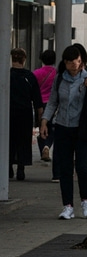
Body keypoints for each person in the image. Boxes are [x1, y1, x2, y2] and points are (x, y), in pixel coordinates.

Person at [40, 44, 87, 220]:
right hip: (62, 127)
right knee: (65, 168)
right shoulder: (60, 79)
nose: (73, 65)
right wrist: (45, 121)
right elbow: (53, 102)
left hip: (82, 129)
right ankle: (67, 206)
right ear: (65, 63)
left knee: (82, 166)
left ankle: (85, 201)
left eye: (75, 61)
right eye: (69, 62)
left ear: (81, 60)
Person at [9, 48, 43, 181]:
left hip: (8, 113)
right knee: (23, 140)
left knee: (9, 140)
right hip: (25, 113)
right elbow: (37, 100)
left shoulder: (6, 75)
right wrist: (41, 119)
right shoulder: (29, 76)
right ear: (24, 60)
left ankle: (8, 166)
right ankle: (21, 168)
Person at [32, 49, 58, 164]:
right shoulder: (57, 73)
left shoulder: (36, 73)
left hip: (39, 104)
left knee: (41, 127)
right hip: (52, 103)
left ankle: (43, 147)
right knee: (52, 127)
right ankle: (47, 146)